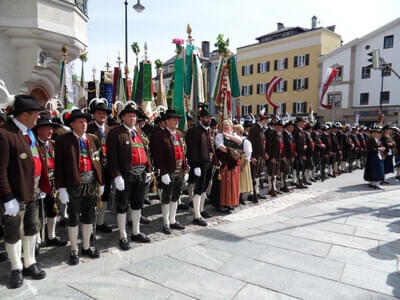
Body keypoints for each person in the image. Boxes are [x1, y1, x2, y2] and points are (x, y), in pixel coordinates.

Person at [0, 95, 46, 288]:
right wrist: (7, 197)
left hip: (32, 189)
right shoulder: (4, 134)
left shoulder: (29, 132)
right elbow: (0, 170)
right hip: (15, 192)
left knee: (31, 227)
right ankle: (16, 267)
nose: (38, 118)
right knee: (13, 232)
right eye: (35, 114)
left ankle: (30, 262)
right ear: (24, 115)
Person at [55, 109, 104, 265]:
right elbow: (59, 166)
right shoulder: (64, 140)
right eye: (80, 122)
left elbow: (98, 161)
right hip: (73, 185)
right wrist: (61, 188)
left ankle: (87, 246)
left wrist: (100, 182)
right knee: (74, 217)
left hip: (90, 184)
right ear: (72, 124)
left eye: (85, 121)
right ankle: (74, 249)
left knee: (89, 215)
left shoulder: (93, 139)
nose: (84, 124)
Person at [106, 104, 152, 250]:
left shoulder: (139, 132)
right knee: (122, 205)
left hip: (140, 174)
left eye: (134, 116)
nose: (132, 118)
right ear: (123, 118)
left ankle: (136, 232)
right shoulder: (116, 133)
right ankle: (123, 235)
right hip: (125, 175)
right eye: (129, 116)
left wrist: (149, 169)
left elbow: (146, 151)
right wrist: (116, 175)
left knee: (138, 203)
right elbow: (112, 157)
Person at [33, 113, 67, 248]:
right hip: (40, 184)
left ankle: (51, 236)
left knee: (53, 210)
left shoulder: (53, 144)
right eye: (47, 128)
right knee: (37, 214)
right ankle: (36, 240)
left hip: (53, 183)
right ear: (39, 130)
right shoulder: (34, 145)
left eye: (51, 128)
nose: (51, 131)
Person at [152, 109, 188, 232]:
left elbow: (184, 153)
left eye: (177, 119)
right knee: (166, 197)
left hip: (180, 171)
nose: (176, 121)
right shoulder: (159, 136)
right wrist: (162, 172)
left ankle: (173, 220)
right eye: (174, 119)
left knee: (176, 196)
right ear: (166, 121)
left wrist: (185, 170)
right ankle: (166, 223)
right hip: (168, 171)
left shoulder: (180, 134)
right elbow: (158, 156)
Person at [185, 108, 216, 225]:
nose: (208, 120)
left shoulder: (208, 131)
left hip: (208, 163)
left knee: (204, 188)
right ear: (201, 118)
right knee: (198, 189)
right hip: (199, 164)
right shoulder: (194, 131)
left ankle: (201, 210)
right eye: (206, 118)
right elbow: (191, 150)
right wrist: (195, 165)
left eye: (209, 118)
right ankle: (196, 215)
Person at [87, 99, 113, 234]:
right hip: (94, 168)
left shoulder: (111, 130)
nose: (102, 116)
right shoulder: (89, 129)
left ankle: (101, 221)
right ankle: (90, 224)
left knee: (105, 195)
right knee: (92, 197)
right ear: (94, 115)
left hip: (108, 168)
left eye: (104, 114)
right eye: (99, 113)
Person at [215, 119, 242, 210]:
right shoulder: (219, 135)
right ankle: (222, 204)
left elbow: (239, 141)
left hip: (233, 163)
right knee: (224, 184)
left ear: (231, 127)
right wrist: (233, 152)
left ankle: (230, 203)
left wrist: (229, 136)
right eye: (225, 125)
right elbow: (220, 146)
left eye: (228, 125)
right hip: (225, 162)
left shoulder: (233, 135)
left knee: (233, 184)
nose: (226, 126)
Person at [247, 114, 268, 202]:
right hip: (255, 156)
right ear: (262, 120)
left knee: (258, 175)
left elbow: (262, 144)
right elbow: (251, 143)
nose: (266, 122)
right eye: (266, 120)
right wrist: (252, 157)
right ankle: (252, 193)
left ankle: (257, 191)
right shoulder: (254, 129)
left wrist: (264, 153)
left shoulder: (260, 129)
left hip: (260, 155)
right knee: (253, 175)